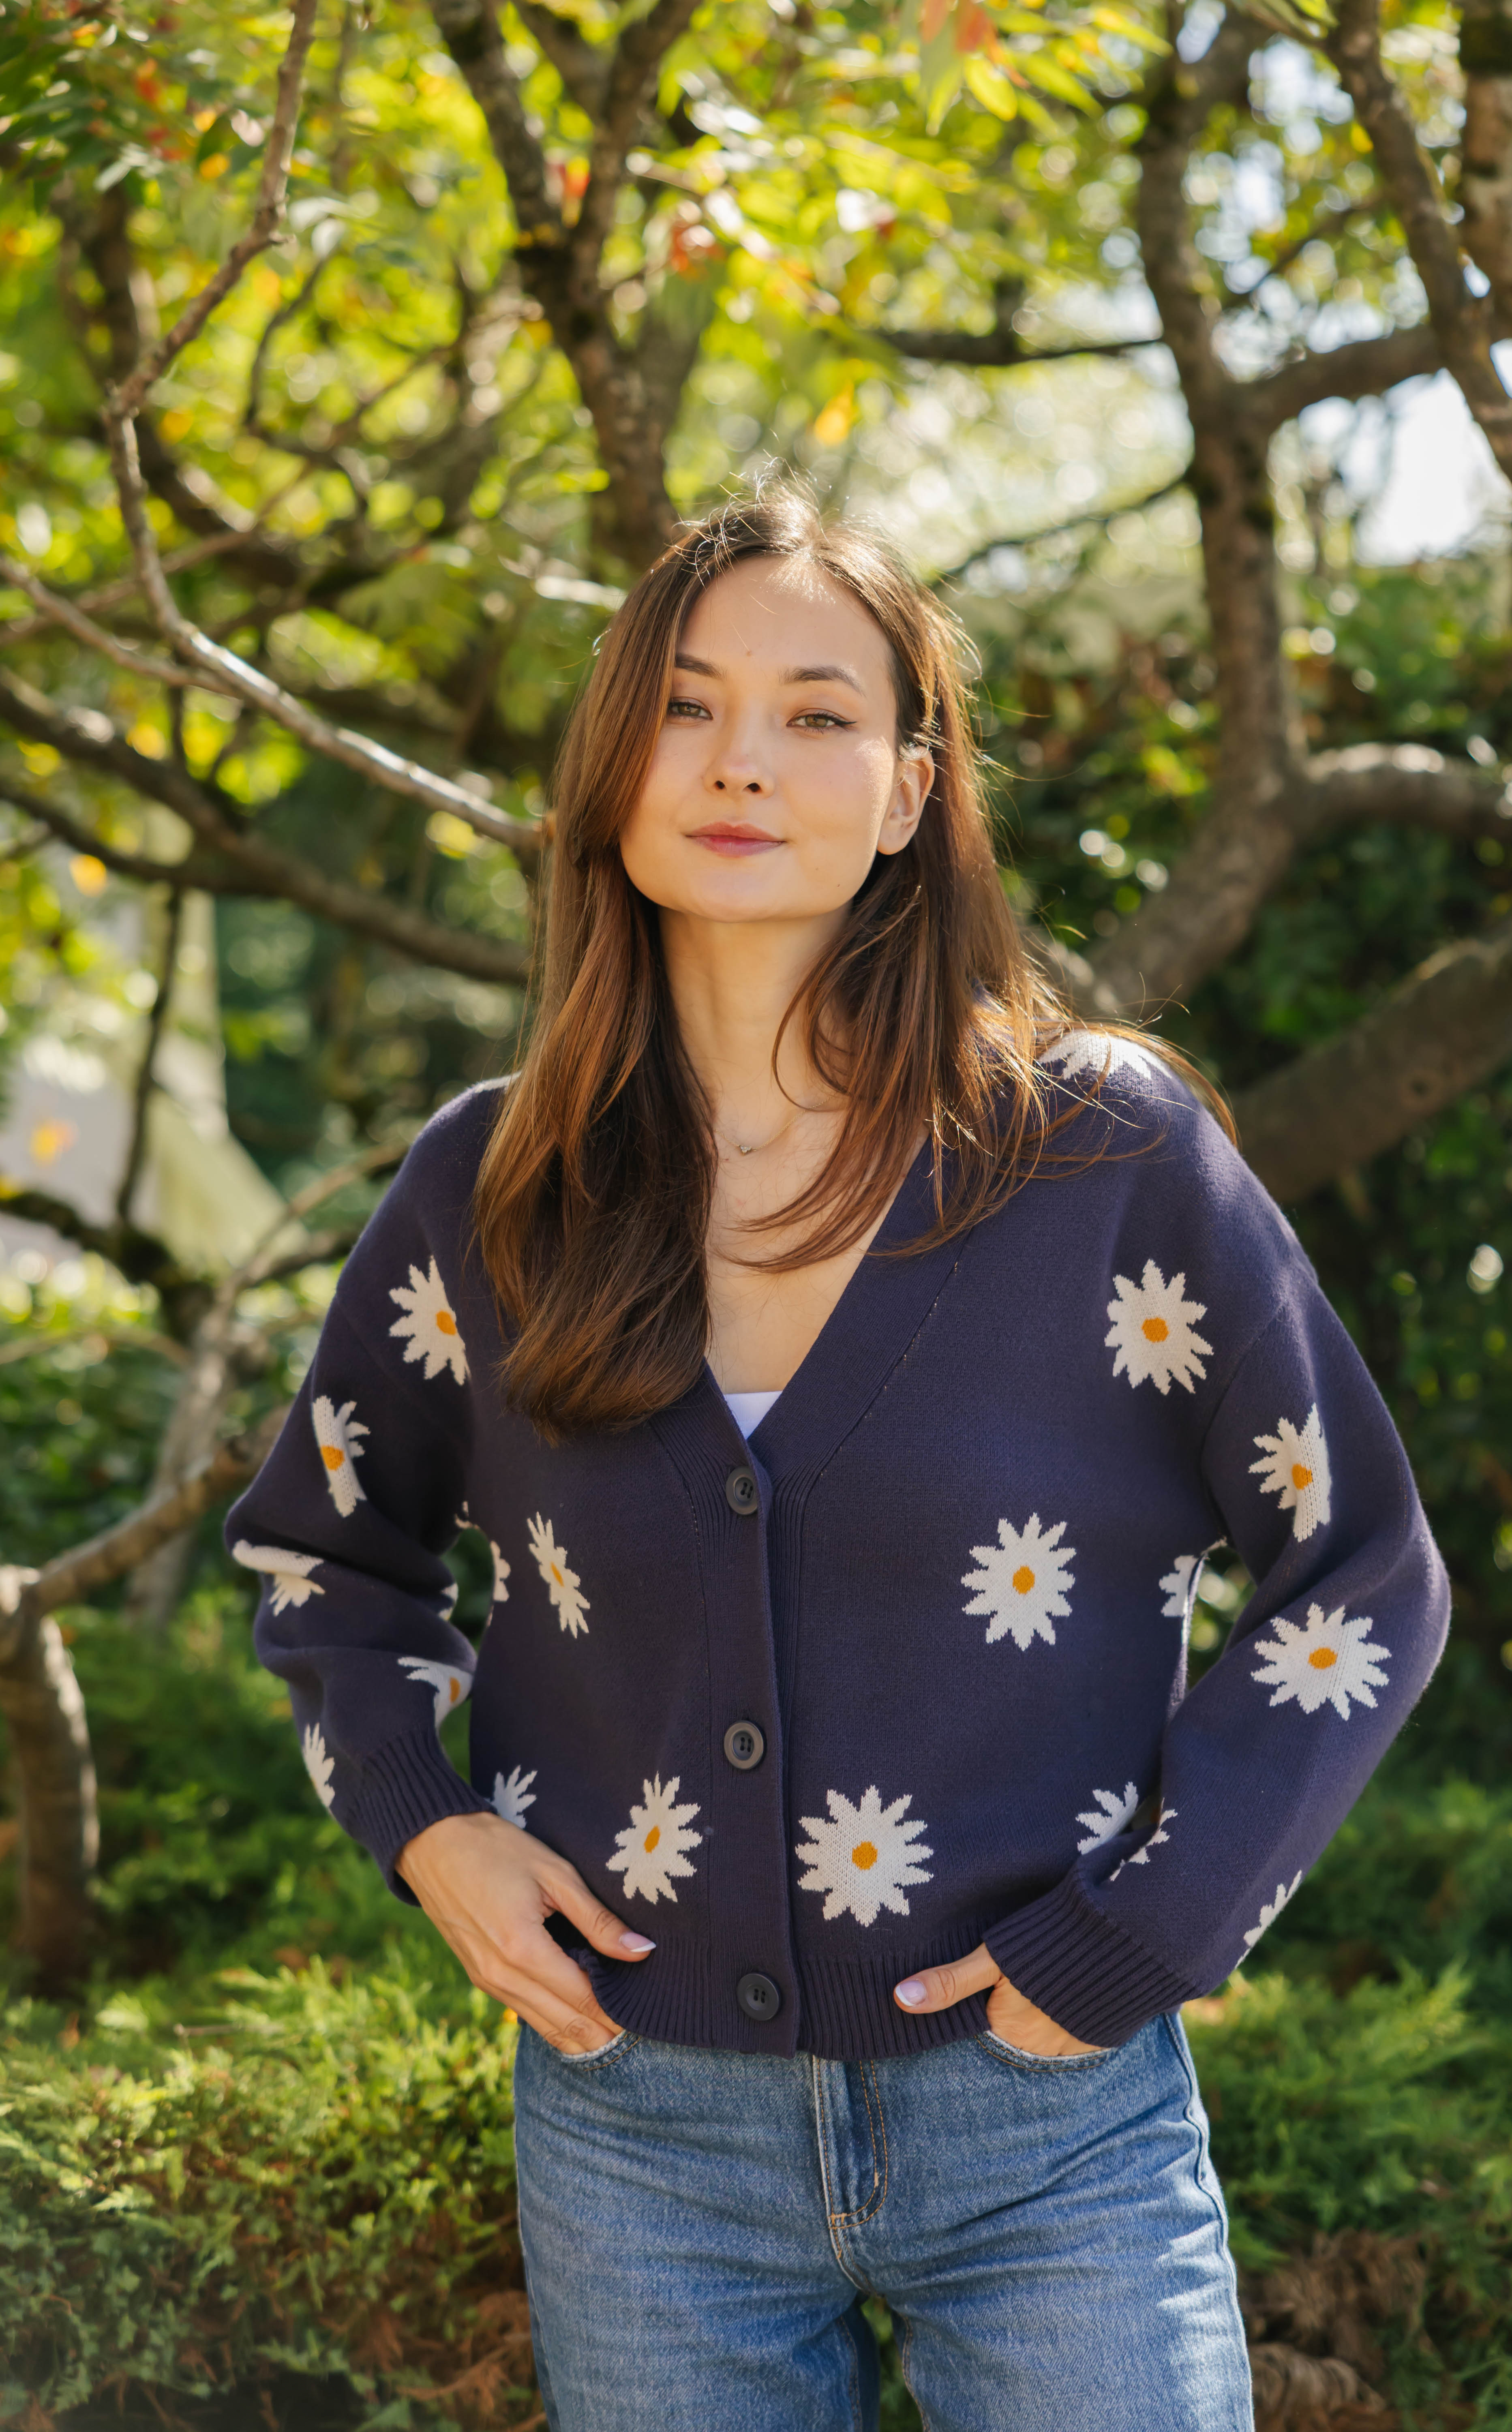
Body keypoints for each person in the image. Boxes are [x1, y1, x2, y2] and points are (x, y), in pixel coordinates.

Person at [229, 487, 1449, 2432]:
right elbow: (327, 1561)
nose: (739, 761)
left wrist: (1143, 1926)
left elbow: (1364, 1578)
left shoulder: (1099, 1157)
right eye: (689, 705)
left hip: (1050, 2124)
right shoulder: (492, 1183)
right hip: (637, 2137)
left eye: (814, 713)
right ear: (614, 769)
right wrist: (420, 1819)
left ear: (906, 790)